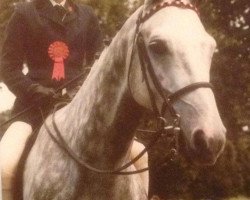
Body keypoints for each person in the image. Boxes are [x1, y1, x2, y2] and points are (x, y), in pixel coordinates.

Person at [0, 0, 148, 199]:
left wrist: (81, 88)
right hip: (32, 108)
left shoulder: (86, 15)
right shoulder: (25, 13)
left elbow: (101, 61)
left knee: (141, 156)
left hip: (80, 107)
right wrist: (34, 89)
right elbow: (8, 67)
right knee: (6, 163)